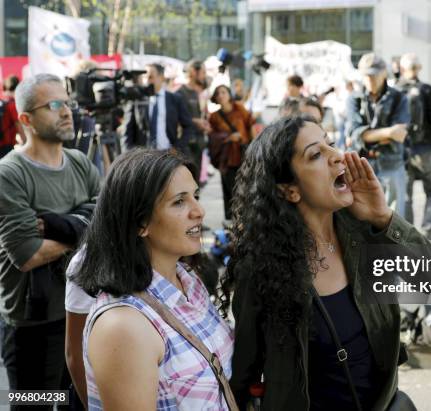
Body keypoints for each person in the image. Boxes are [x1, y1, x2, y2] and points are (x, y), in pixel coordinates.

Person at [226, 116, 431, 410]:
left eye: (330, 144)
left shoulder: (362, 230)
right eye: (316, 154)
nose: (338, 156)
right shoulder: (261, 267)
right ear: (289, 189)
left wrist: (383, 218)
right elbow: (244, 373)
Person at [73, 149, 234, 410]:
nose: (199, 211)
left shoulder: (188, 280)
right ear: (140, 222)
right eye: (179, 202)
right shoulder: (123, 326)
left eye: (195, 196)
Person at [0, 73, 100, 404]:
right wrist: (85, 227)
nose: (67, 111)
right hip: (32, 324)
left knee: (79, 402)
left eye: (67, 103)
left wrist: (58, 226)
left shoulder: (80, 163)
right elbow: (27, 253)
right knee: (35, 403)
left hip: (82, 313)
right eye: (54, 105)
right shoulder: (10, 173)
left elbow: (108, 226)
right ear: (26, 119)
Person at [346, 53, 409, 218]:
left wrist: (366, 134)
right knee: (362, 217)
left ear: (384, 74)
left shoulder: (398, 97)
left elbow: (400, 134)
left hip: (391, 163)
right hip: (361, 164)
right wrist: (388, 132)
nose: (370, 80)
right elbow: (354, 134)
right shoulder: (354, 98)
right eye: (367, 75)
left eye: (374, 75)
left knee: (394, 219)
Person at [396, 53, 431, 241]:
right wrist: (424, 133)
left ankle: (409, 237)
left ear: (401, 68)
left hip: (402, 150)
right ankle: (428, 233)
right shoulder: (429, 90)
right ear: (419, 68)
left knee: (406, 196)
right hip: (424, 149)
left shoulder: (394, 90)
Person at [208, 84, 255, 220]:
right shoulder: (214, 117)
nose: (221, 95)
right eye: (218, 93)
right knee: (229, 192)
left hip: (243, 156)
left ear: (229, 94)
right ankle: (230, 225)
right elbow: (212, 138)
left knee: (245, 190)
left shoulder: (239, 109)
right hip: (226, 159)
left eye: (223, 92)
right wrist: (228, 138)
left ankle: (246, 221)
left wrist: (253, 146)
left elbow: (250, 124)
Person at [122, 63, 194, 153]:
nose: (147, 81)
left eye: (151, 77)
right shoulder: (137, 100)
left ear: (162, 77)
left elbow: (188, 126)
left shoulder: (175, 99)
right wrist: (130, 156)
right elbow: (127, 132)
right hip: (143, 157)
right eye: (145, 77)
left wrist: (177, 148)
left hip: (168, 155)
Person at [176, 59, 210, 179]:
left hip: (199, 144)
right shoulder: (180, 93)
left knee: (196, 184)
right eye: (203, 72)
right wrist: (196, 121)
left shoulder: (198, 93)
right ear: (193, 72)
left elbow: (200, 115)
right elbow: (177, 119)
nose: (204, 75)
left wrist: (205, 123)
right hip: (186, 145)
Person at [1, 75, 26, 158]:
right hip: (6, 147)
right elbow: (18, 125)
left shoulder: (3, 102)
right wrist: (26, 143)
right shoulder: (12, 104)